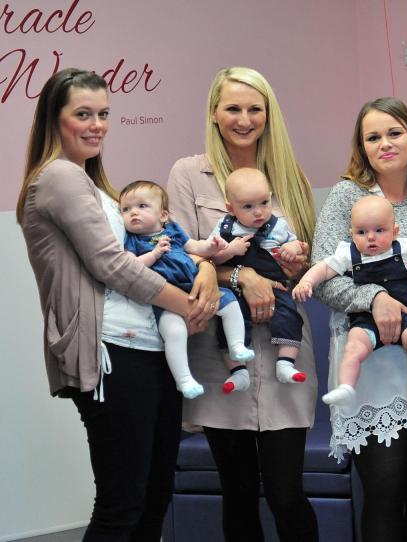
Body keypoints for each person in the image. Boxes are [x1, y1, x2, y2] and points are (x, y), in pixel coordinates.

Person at [18, 68, 216, 541]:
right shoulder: (58, 177)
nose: (96, 125)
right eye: (82, 114)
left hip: (147, 349)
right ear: (54, 118)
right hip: (111, 354)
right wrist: (187, 304)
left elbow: (161, 245)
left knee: (153, 498)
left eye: (103, 114)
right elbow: (112, 265)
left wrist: (205, 270)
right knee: (122, 505)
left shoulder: (96, 186)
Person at [166, 66, 319, 541]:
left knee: (285, 492)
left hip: (283, 348)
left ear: (268, 115)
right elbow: (180, 256)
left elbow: (307, 260)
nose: (244, 118)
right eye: (233, 107)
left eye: (255, 108)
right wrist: (241, 273)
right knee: (237, 490)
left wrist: (296, 260)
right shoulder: (188, 174)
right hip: (219, 353)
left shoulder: (289, 176)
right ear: (214, 113)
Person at [312, 97, 407, 541]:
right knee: (384, 489)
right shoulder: (346, 197)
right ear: (362, 147)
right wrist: (375, 296)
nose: (385, 144)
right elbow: (321, 278)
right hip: (369, 362)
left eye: (394, 132)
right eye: (373, 137)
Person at [295, 194, 407, 413]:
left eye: (379, 230)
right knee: (354, 347)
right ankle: (346, 387)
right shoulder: (348, 255)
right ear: (352, 234)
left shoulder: (403, 249)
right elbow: (323, 268)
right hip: (366, 318)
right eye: (362, 232)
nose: (371, 237)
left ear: (394, 231)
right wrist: (306, 282)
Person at [120, 180, 254, 399]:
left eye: (142, 206)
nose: (133, 212)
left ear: (163, 215)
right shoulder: (132, 240)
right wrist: (154, 254)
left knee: (229, 302)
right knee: (174, 332)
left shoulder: (172, 230)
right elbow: (131, 267)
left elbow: (193, 246)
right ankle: (184, 379)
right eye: (126, 209)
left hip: (194, 287)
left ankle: (237, 344)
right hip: (165, 299)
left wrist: (211, 247)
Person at [211, 167, 308, 387]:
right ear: (230, 208)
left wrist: (293, 249)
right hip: (234, 288)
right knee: (228, 321)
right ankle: (237, 371)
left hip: (276, 285)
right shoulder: (224, 227)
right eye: (248, 206)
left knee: (290, 316)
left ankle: (286, 363)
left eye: (264, 203)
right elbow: (211, 260)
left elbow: (296, 245)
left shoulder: (277, 226)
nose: (259, 212)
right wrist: (229, 251)